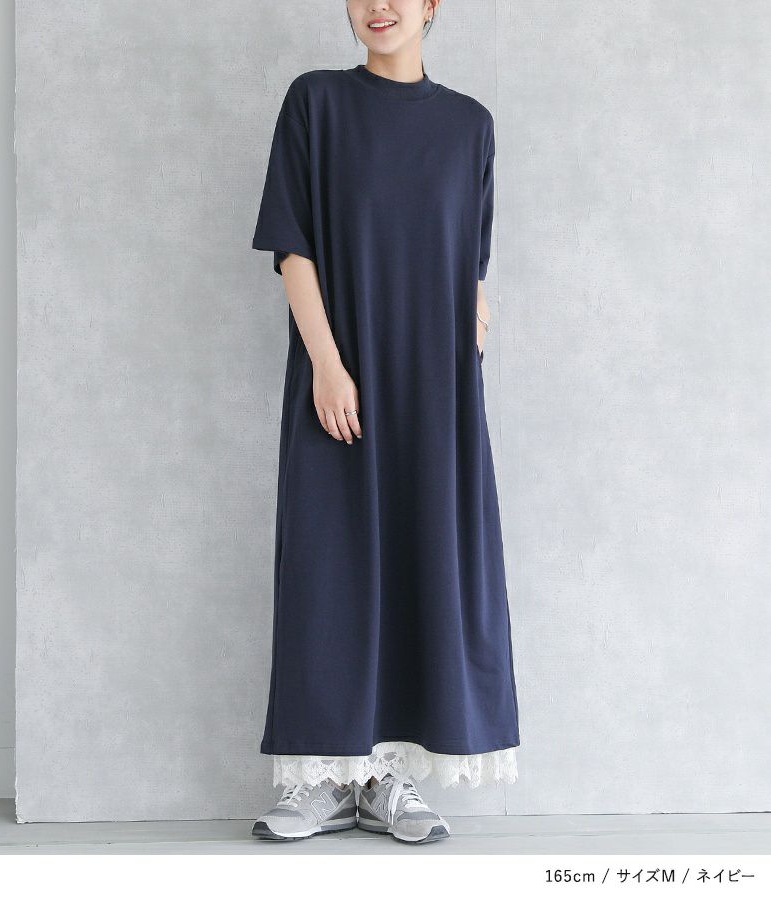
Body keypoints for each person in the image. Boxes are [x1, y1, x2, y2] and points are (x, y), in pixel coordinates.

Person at [249, 0, 520, 845]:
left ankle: (388, 781)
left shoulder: (470, 125)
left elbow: (471, 250)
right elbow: (294, 246)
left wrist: (479, 312)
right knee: (330, 565)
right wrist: (327, 366)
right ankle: (327, 780)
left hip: (436, 383)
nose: (380, 6)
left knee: (423, 557)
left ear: (433, 6)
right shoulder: (317, 103)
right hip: (342, 372)